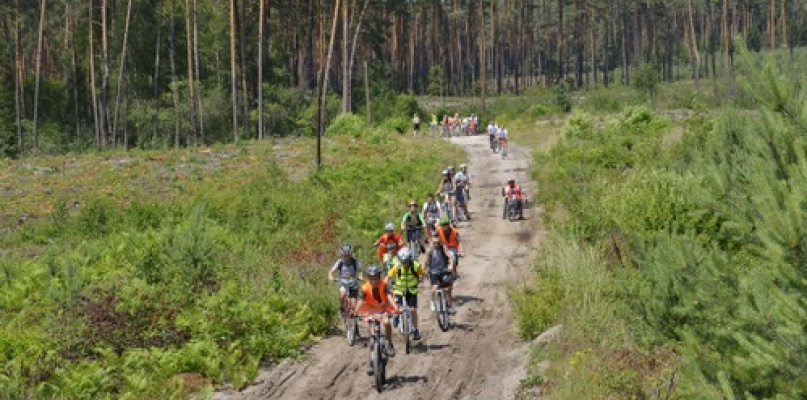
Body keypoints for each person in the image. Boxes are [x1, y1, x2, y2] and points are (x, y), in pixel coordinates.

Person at [355, 265, 400, 376]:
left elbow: (389, 297)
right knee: (372, 338)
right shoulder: (365, 288)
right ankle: (370, 362)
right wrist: (355, 312)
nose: (374, 280)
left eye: (376, 278)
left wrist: (396, 308)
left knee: (386, 322)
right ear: (368, 278)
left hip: (383, 309)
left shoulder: (384, 285)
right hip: (370, 311)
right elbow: (360, 300)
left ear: (379, 277)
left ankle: (389, 344)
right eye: (371, 278)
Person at [387, 247, 425, 340]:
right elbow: (388, 276)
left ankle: (416, 330)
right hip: (399, 290)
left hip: (411, 290)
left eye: (407, 261)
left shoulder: (415, 265)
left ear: (410, 259)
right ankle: (396, 316)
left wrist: (421, 282)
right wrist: (385, 286)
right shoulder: (397, 267)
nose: (405, 263)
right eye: (403, 261)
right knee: (397, 306)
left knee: (412, 310)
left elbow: (422, 274)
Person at [328, 244, 363, 316]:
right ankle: (341, 308)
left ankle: (354, 321)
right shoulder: (340, 262)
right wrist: (331, 277)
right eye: (345, 255)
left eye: (348, 255)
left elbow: (360, 271)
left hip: (353, 282)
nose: (347, 257)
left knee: (353, 303)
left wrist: (360, 276)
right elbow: (331, 271)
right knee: (342, 294)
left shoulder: (355, 261)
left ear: (351, 254)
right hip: (343, 282)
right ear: (342, 254)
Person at [425, 231, 456, 314]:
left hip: (443, 270)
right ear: (432, 241)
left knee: (448, 289)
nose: (436, 244)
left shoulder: (443, 247)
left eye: (438, 242)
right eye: (434, 243)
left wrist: (450, 265)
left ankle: (450, 305)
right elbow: (426, 261)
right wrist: (424, 271)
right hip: (433, 272)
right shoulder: (430, 250)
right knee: (434, 287)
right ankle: (432, 300)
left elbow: (450, 257)